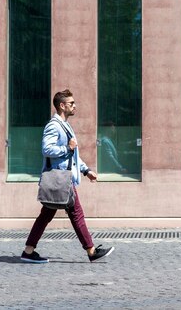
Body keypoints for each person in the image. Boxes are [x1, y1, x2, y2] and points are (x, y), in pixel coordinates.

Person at [21, 89, 115, 264]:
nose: (75, 106)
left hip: (64, 179)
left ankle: (28, 250)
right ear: (62, 106)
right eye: (72, 103)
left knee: (48, 215)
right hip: (61, 180)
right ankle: (91, 250)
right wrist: (67, 148)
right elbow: (46, 149)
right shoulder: (54, 125)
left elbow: (72, 156)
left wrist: (86, 171)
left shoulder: (65, 125)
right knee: (75, 213)